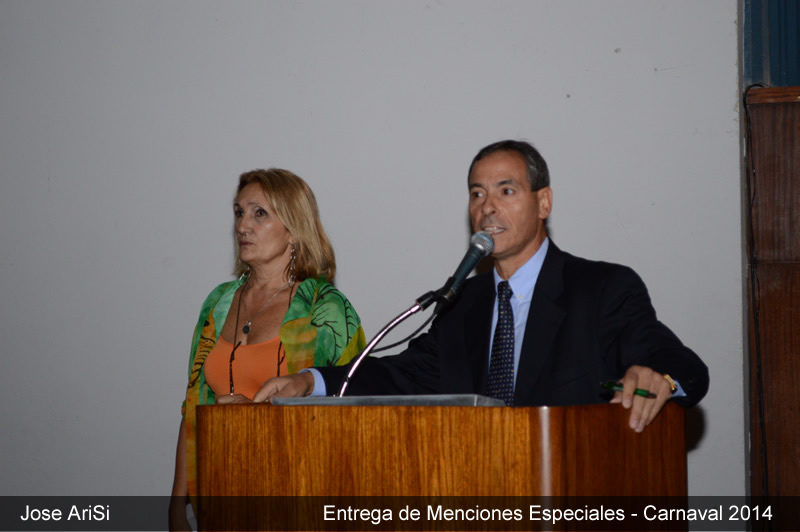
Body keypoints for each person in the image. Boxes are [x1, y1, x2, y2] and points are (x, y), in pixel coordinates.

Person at [255, 140, 709, 434]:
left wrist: (661, 378)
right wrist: (310, 381)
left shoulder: (601, 289)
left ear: (544, 202)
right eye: (477, 194)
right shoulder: (462, 304)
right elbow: (399, 375)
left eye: (506, 191)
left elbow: (679, 364)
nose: (487, 207)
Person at [169, 169, 366, 531]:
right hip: (216, 501)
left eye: (259, 213)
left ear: (293, 227)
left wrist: (260, 419)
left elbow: (356, 414)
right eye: (239, 212)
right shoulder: (217, 303)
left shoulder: (326, 309)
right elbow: (192, 407)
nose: (243, 225)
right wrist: (177, 507)